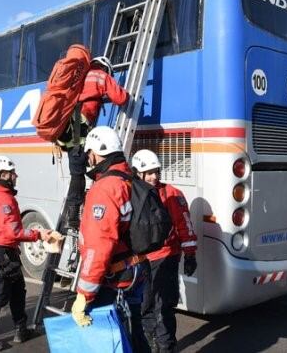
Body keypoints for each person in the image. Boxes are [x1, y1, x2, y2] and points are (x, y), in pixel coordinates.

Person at [70, 126, 150, 352]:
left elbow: (99, 246)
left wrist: (84, 296)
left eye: (89, 154)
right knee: (136, 331)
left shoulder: (105, 188)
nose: (88, 159)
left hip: (115, 279)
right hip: (136, 269)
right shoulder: (129, 179)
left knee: (112, 341)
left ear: (95, 153)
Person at [0, 155, 55, 352]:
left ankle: (21, 330)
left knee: (18, 291)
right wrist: (39, 234)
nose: (15, 176)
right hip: (2, 253)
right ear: (3, 175)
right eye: (12, 173)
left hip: (1, 250)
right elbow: (14, 232)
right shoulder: (5, 199)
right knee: (0, 295)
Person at [132, 149, 197, 353]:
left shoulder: (172, 194)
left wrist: (190, 255)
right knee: (144, 306)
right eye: (149, 172)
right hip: (140, 259)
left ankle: (166, 348)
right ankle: (151, 345)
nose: (154, 176)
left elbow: (185, 225)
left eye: (156, 171)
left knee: (163, 307)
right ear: (138, 173)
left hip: (166, 256)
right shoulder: (131, 193)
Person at [58, 55, 129, 230]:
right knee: (79, 172)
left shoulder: (80, 76)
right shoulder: (100, 75)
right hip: (78, 123)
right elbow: (120, 98)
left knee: (79, 169)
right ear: (105, 67)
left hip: (68, 124)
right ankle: (72, 216)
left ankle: (74, 212)